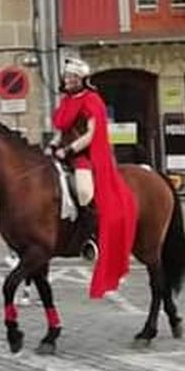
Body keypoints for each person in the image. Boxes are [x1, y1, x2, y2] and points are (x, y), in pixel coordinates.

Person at [49, 54, 137, 298]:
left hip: (83, 156)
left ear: (82, 79)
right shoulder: (66, 101)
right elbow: (61, 130)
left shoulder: (92, 100)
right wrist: (52, 145)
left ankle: (90, 238)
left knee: (85, 192)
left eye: (73, 77)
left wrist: (70, 149)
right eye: (66, 77)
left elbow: (90, 134)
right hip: (62, 152)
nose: (68, 80)